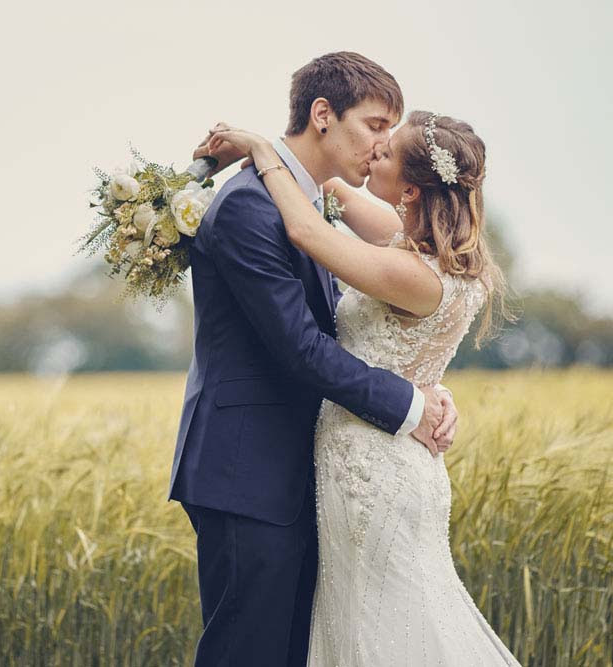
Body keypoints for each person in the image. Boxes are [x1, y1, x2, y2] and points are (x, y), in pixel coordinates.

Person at [166, 52, 459, 666]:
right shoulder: (249, 205)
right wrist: (409, 406)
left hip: (297, 472)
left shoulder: (306, 200)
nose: (383, 145)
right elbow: (301, 348)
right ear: (323, 114)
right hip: (247, 472)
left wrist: (426, 384)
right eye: (375, 125)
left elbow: (346, 330)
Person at [203, 106, 519, 665]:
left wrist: (259, 148)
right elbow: (325, 184)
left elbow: (305, 229)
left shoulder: (411, 272)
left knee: (379, 628)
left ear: (412, 190)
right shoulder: (421, 249)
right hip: (384, 452)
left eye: (388, 150)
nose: (375, 151)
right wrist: (291, 147)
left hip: (375, 471)